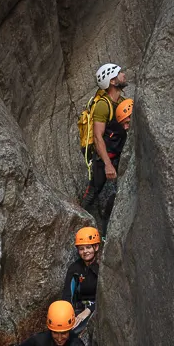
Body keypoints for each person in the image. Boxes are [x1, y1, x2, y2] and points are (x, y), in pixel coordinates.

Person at [81, 64, 129, 234]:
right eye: (120, 73)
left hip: (119, 156)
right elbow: (97, 137)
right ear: (112, 80)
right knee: (93, 193)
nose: (124, 75)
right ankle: (80, 226)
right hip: (105, 159)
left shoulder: (123, 103)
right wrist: (108, 165)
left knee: (113, 197)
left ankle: (108, 233)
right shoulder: (103, 105)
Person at [62, 227, 101, 328]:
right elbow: (67, 295)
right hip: (79, 309)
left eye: (88, 247)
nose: (85, 251)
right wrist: (68, 314)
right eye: (81, 249)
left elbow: (108, 295)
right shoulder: (75, 269)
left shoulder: (102, 267)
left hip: (98, 308)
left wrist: (89, 310)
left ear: (96, 247)